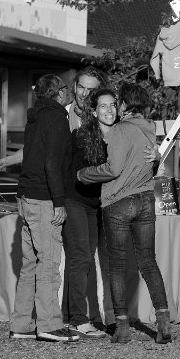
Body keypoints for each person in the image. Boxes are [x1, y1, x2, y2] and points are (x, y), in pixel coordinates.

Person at [77, 83, 171, 345]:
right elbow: (150, 163)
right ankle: (164, 322)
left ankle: (121, 328)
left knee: (117, 267)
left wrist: (84, 174)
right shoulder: (149, 128)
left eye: (118, 102)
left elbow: (113, 168)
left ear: (125, 105)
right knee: (148, 262)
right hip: (145, 199)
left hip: (119, 201)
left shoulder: (120, 130)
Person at [9, 74, 79, 343]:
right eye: (65, 88)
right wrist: (59, 201)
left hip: (26, 196)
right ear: (58, 92)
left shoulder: (34, 118)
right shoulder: (57, 118)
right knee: (48, 263)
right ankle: (49, 324)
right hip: (44, 198)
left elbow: (32, 156)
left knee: (30, 264)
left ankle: (21, 324)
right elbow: (52, 163)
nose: (68, 92)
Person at [62, 87, 116, 339]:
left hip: (96, 205)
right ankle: (77, 319)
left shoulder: (120, 136)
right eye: (103, 106)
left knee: (89, 260)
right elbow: (72, 172)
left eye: (112, 105)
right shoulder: (81, 136)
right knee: (81, 258)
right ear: (94, 112)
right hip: (75, 201)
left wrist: (155, 155)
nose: (109, 110)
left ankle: (78, 316)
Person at [67, 66, 107, 131]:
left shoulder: (108, 117)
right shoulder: (64, 114)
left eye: (90, 90)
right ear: (75, 87)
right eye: (81, 87)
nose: (84, 94)